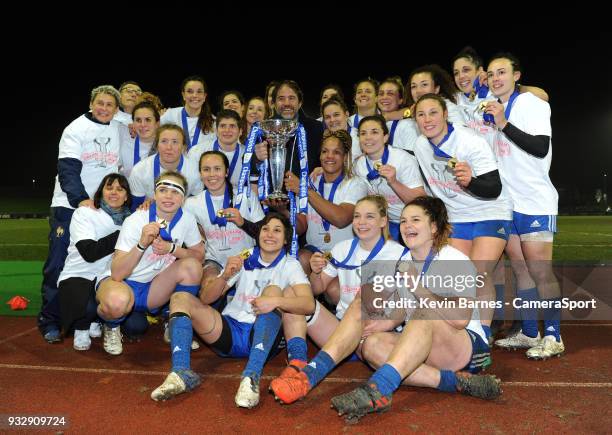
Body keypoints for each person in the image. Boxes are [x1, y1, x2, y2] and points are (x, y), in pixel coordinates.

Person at [323, 197, 501, 422]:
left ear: (434, 227)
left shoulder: (454, 259)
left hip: (464, 348)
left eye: (416, 220)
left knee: (423, 312)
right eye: (404, 220)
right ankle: (454, 382)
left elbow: (460, 319)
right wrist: (384, 324)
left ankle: (377, 389)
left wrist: (419, 288)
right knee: (372, 345)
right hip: (426, 346)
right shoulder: (404, 261)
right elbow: (401, 305)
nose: (407, 226)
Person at [150, 212, 314, 409]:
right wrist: (224, 276)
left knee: (272, 291)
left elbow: (308, 304)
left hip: (261, 335)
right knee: (180, 298)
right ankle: (180, 372)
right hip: (230, 332)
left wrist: (275, 301)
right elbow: (206, 299)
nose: (270, 234)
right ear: (258, 234)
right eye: (265, 229)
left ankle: (251, 377)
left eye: (277, 230)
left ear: (286, 238)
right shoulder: (244, 257)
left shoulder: (291, 265)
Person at [268, 195, 407, 404]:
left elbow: (409, 302)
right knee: (292, 293)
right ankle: (297, 362)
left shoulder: (399, 254)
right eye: (357, 216)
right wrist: (315, 272)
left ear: (383, 221)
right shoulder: (342, 249)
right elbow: (316, 288)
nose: (361, 222)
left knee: (363, 300)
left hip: (374, 334)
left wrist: (388, 323)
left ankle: (309, 377)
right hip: (341, 330)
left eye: (370, 217)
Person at [413, 93, 512, 343]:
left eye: (433, 112)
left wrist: (470, 182)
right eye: (421, 114)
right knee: (458, 277)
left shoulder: (470, 141)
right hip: (457, 216)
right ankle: (461, 330)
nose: (427, 119)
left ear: (445, 114)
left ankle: (482, 335)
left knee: (479, 274)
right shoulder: (419, 146)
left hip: (490, 210)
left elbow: (494, 187)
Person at [483, 53, 564, 359]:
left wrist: (503, 124)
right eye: (491, 74)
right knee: (520, 269)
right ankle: (531, 332)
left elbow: (540, 146)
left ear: (517, 75)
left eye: (502, 72)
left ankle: (554, 336)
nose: (496, 78)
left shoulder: (532, 104)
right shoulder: (492, 109)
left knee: (540, 271)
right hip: (509, 202)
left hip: (534, 199)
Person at [38, 85, 123, 343]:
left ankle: (85, 318)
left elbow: (142, 120)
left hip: (101, 208)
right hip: (70, 205)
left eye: (110, 105)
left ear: (116, 109)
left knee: (98, 262)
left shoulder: (119, 123)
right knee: (59, 263)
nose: (105, 108)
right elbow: (67, 170)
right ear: (91, 103)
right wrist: (81, 200)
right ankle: (50, 320)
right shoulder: (75, 129)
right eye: (100, 103)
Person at [96, 171, 204, 355]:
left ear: (183, 198)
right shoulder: (136, 220)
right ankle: (111, 327)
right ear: (155, 194)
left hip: (154, 287)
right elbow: (117, 274)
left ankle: (176, 324)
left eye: (175, 192)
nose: (168, 196)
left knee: (192, 267)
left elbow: (199, 256)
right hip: (121, 283)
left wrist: (172, 249)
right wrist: (141, 244)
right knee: (117, 303)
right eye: (163, 190)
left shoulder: (187, 219)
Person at [57, 173, 132, 351]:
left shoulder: (131, 219)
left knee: (135, 326)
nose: (114, 192)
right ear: (101, 191)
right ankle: (82, 325)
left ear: (126, 196)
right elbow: (90, 253)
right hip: (79, 273)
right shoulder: (85, 212)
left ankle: (104, 320)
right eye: (109, 187)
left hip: (108, 277)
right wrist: (126, 233)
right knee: (87, 308)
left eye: (120, 189)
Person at [184, 150, 264, 299]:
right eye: (206, 169)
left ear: (226, 172)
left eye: (217, 169)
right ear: (200, 174)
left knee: (249, 297)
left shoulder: (245, 196)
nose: (212, 174)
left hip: (245, 257)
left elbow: (263, 235)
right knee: (209, 288)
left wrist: (242, 222)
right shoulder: (191, 204)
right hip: (214, 260)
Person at [285, 129, 367, 274]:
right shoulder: (311, 181)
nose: (329, 156)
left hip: (345, 252)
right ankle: (308, 296)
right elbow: (300, 227)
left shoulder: (356, 184)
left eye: (336, 152)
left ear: (345, 156)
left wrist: (305, 190)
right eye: (325, 151)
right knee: (300, 258)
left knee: (333, 290)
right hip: (314, 251)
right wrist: (283, 211)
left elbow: (341, 219)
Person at [352, 115, 426, 241]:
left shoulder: (403, 159)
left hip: (413, 221)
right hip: (383, 224)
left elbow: (422, 201)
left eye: (374, 132)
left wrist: (394, 182)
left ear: (385, 137)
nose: (368, 137)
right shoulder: (359, 165)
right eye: (363, 133)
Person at [129, 124, 203, 209]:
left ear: (183, 147)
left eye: (175, 142)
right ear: (157, 145)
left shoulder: (195, 170)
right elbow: (136, 207)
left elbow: (196, 206)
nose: (169, 147)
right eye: (164, 141)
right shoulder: (139, 170)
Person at [187, 110, 245, 187]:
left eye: (232, 126)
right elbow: (191, 184)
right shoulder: (197, 152)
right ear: (216, 131)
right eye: (223, 126)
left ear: (240, 131)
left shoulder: (248, 154)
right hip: (204, 197)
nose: (227, 130)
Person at [161, 76, 215, 150]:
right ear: (183, 95)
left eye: (199, 92)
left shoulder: (214, 122)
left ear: (204, 96)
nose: (195, 95)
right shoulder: (170, 115)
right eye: (190, 91)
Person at [376, 77, 420, 152]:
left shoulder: (407, 125)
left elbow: (412, 159)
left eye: (390, 93)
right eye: (381, 94)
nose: (384, 97)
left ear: (400, 100)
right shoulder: (372, 123)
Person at [119, 101, 160, 177]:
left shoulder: (165, 147)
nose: (143, 125)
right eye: (138, 120)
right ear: (133, 123)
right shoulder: (125, 144)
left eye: (148, 120)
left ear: (157, 124)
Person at [321, 96, 361, 160]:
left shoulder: (360, 138)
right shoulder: (322, 141)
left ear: (347, 115)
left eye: (336, 115)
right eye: (327, 117)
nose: (332, 120)